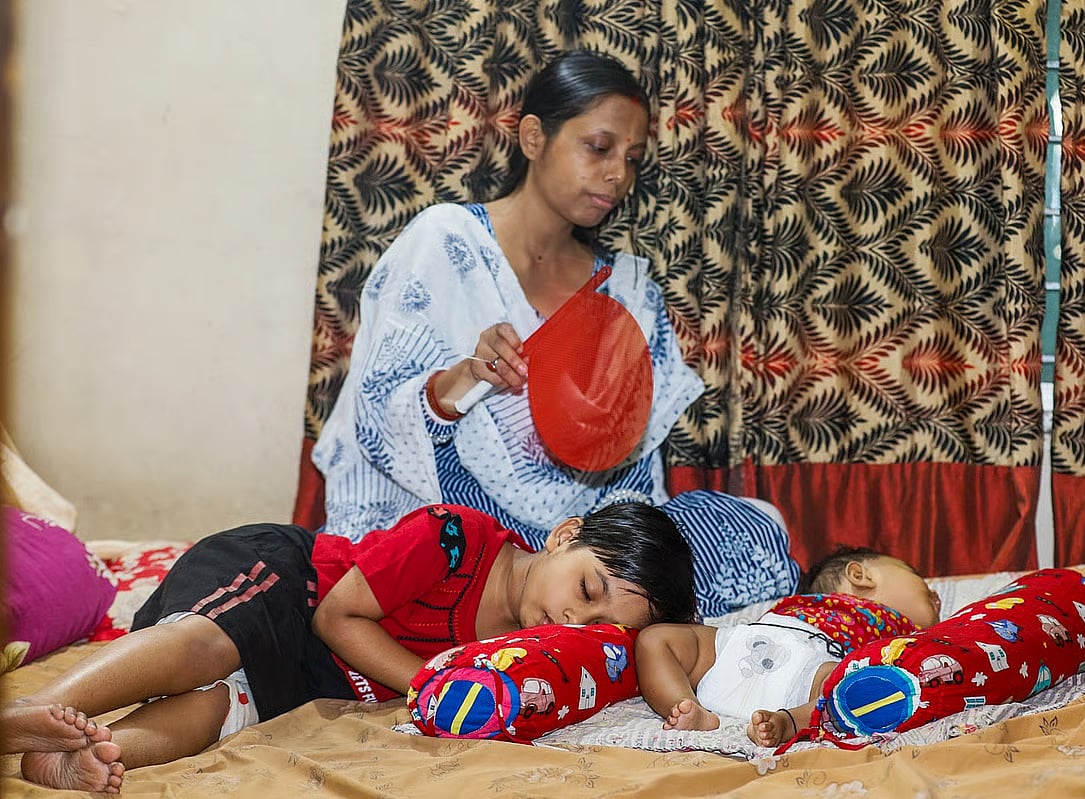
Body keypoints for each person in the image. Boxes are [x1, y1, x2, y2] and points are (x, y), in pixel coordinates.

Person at [310, 49, 798, 616]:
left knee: (746, 531)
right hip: (456, 534)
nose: (618, 174)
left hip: (579, 550)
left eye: (633, 159)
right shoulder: (447, 245)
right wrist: (466, 378)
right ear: (534, 137)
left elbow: (635, 475)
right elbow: (379, 413)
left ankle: (580, 596)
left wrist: (611, 546)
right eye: (599, 147)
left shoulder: (627, 293)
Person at [2, 501, 696, 792]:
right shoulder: (455, 535)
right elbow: (340, 615)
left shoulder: (530, 652)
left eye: (599, 620)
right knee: (205, 648)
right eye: (589, 583)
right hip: (290, 584)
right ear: (564, 534)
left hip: (309, 677)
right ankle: (33, 708)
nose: (576, 611)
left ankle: (72, 756)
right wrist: (433, 681)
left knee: (214, 712)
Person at [635, 547, 942, 747]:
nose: (934, 594)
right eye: (920, 581)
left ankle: (790, 720)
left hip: (815, 671)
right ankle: (688, 707)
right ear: (859, 575)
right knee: (655, 639)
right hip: (746, 643)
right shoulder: (816, 605)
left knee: (850, 685)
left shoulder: (906, 635)